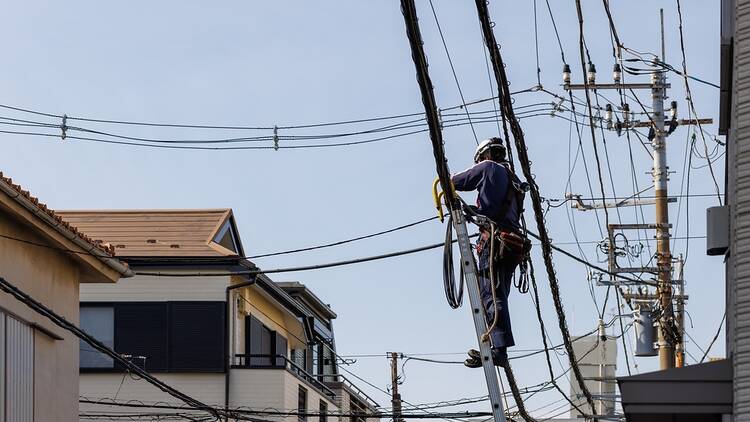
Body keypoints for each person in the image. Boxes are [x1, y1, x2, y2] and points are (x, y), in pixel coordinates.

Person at [451, 137, 527, 368]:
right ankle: (498, 346)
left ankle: (499, 350)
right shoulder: (514, 180)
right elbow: (493, 210)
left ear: (484, 156)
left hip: (495, 242)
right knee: (498, 294)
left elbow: (455, 181)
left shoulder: (487, 167)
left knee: (490, 296)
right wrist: (471, 211)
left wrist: (446, 185)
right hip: (512, 244)